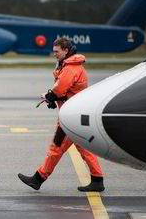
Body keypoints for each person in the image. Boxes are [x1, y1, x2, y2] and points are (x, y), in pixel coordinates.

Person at [18, 37, 105, 192]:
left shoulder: (70, 68)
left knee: (56, 148)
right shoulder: (70, 65)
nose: (55, 54)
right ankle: (97, 179)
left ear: (66, 50)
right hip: (75, 114)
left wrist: (50, 96)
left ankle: (38, 178)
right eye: (54, 52)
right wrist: (52, 97)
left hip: (70, 117)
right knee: (81, 147)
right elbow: (63, 90)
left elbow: (60, 89)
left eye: (57, 52)